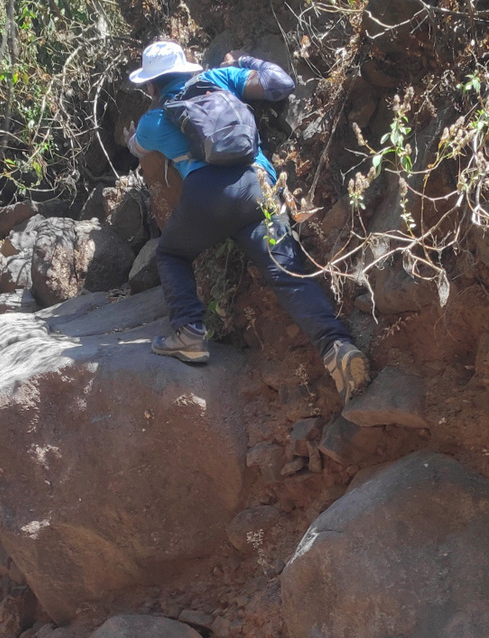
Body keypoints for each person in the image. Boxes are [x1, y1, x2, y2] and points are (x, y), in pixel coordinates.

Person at [124, 40, 370, 403]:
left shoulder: (154, 119)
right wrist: (243, 59)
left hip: (207, 194)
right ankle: (338, 348)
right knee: (286, 275)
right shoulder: (219, 78)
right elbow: (281, 83)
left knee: (171, 254)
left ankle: (189, 334)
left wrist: (131, 137)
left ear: (151, 84)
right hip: (259, 186)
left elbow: (137, 148)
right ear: (186, 69)